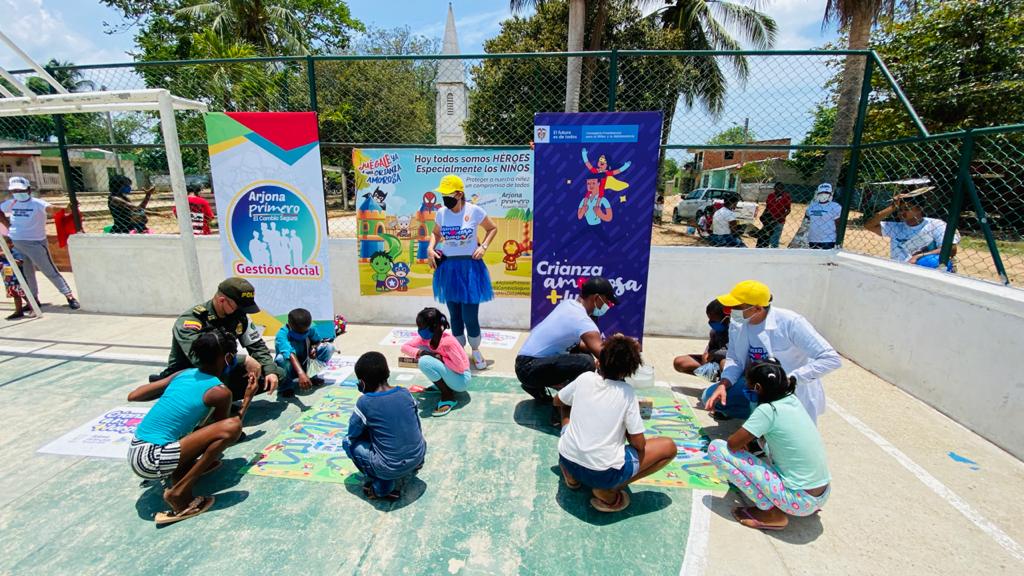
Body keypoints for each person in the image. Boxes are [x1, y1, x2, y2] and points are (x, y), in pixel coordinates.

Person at [126, 331, 252, 524]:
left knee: (196, 430)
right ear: (228, 358)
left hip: (137, 452)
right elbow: (227, 430)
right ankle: (179, 494)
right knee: (232, 426)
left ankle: (182, 470)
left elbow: (134, 396)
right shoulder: (219, 392)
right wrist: (248, 397)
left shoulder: (183, 374)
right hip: (153, 460)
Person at [555, 334, 678, 513]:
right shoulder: (627, 393)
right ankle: (609, 490)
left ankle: (572, 476)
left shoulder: (585, 378)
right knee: (668, 447)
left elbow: (557, 400)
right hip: (602, 473)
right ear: (629, 372)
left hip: (567, 458)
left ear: (598, 361)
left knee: (565, 407)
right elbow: (639, 444)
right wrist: (625, 426)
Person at [707, 359, 831, 531]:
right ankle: (786, 502)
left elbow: (733, 444)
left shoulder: (768, 410)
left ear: (757, 388)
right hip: (821, 494)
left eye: (749, 387)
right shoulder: (792, 400)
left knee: (717, 449)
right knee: (765, 446)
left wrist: (744, 441)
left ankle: (771, 513)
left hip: (800, 501)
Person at [702, 280, 841, 423]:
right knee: (711, 396)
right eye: (729, 307)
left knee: (784, 432)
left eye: (736, 307)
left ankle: (767, 421)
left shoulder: (791, 322)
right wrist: (724, 384)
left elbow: (830, 358)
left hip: (790, 389)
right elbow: (735, 359)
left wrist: (790, 379)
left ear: (757, 308)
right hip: (757, 385)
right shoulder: (737, 324)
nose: (731, 311)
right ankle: (757, 418)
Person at [151, 277, 283, 404]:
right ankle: (206, 402)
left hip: (222, 370)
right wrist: (244, 360)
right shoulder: (192, 320)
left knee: (278, 373)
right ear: (222, 300)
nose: (241, 311)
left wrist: (270, 371)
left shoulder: (239, 316)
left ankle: (221, 400)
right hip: (192, 374)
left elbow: (257, 345)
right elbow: (199, 358)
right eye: (238, 307)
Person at [515, 277, 616, 425]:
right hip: (530, 369)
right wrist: (624, 350)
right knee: (586, 363)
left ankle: (536, 387)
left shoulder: (568, 305)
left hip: (524, 364)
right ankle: (559, 411)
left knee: (582, 354)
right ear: (596, 298)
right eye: (607, 302)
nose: (608, 306)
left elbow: (583, 345)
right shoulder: (582, 319)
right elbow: (604, 355)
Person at [428, 174, 498, 371]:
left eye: (448, 194)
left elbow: (492, 228)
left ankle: (475, 350)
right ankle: (458, 353)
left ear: (459, 194)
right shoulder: (441, 213)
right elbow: (435, 233)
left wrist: (483, 246)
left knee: (470, 316)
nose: (444, 198)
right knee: (455, 315)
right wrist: (430, 248)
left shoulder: (474, 211)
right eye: (443, 194)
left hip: (470, 269)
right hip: (448, 269)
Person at [344, 351, 427, 501]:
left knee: (348, 442)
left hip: (389, 468)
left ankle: (382, 485)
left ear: (362, 383)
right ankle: (415, 464)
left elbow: (352, 434)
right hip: (418, 455)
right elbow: (416, 424)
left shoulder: (365, 402)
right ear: (388, 373)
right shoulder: (405, 393)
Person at [0, 177, 80, 309]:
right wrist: (7, 225)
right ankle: (33, 300)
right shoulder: (11, 203)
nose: (17, 193)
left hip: (35, 243)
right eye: (14, 191)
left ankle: (69, 296)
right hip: (17, 242)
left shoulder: (37, 203)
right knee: (27, 273)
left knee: (49, 270)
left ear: (28, 190)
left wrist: (66, 209)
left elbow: (51, 209)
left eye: (20, 190)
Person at [401, 307, 471, 417]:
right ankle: (444, 386)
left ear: (433, 327)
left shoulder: (447, 342)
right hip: (452, 375)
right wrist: (422, 352)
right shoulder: (425, 339)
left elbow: (461, 368)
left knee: (425, 362)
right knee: (423, 354)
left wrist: (440, 358)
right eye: (418, 327)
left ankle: (448, 396)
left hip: (462, 380)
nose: (419, 330)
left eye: (422, 327)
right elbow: (404, 347)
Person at [865, 192, 959, 265]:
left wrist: (919, 256)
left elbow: (951, 249)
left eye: (907, 208)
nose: (902, 212)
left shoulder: (935, 225)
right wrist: (892, 207)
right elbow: (869, 225)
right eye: (899, 209)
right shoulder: (897, 227)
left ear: (920, 208)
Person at [274, 307, 335, 398]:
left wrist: (313, 348)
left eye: (305, 331)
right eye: (298, 332)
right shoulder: (282, 334)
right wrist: (301, 373)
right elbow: (290, 353)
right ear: (289, 324)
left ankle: (312, 375)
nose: (302, 334)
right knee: (281, 359)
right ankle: (286, 387)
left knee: (329, 348)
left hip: (306, 363)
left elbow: (317, 341)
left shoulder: (311, 329)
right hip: (290, 368)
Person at [673, 299, 730, 382]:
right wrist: (706, 356)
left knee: (723, 363)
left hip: (728, 365)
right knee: (680, 362)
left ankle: (727, 383)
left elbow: (734, 354)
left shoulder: (737, 332)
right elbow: (710, 348)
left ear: (726, 318)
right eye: (709, 319)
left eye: (713, 321)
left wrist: (713, 353)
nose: (710, 323)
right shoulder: (715, 331)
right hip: (714, 364)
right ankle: (716, 377)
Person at [804, 183, 842, 250]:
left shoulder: (836, 206)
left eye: (826, 192)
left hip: (829, 240)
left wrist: (838, 240)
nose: (824, 194)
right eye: (821, 192)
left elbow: (838, 224)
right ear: (818, 193)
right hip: (813, 239)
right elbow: (807, 220)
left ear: (830, 194)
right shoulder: (812, 206)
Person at [756, 182, 791, 248]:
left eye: (781, 188)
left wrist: (781, 217)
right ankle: (763, 248)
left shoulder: (786, 197)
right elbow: (767, 207)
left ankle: (774, 250)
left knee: (775, 238)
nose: (779, 190)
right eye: (777, 188)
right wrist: (763, 215)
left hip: (779, 221)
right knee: (764, 236)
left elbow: (788, 210)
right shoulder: (771, 196)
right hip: (768, 220)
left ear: (783, 189)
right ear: (774, 188)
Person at [1, 236, 29, 319]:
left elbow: (20, 263)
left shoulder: (14, 252)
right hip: (8, 280)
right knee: (16, 294)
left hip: (17, 279)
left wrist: (7, 256)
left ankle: (24, 309)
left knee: (21, 294)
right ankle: (21, 310)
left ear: (11, 244)